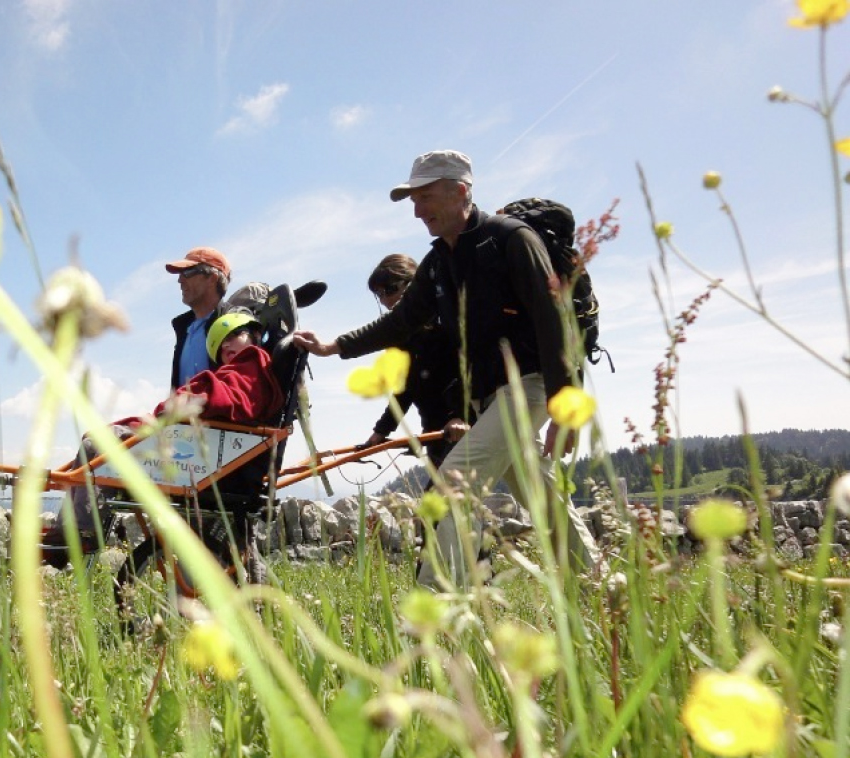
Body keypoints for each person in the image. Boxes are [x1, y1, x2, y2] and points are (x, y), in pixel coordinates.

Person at [293, 150, 599, 589]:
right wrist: (333, 346)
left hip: (527, 387)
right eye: (412, 200)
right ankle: (603, 586)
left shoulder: (512, 239)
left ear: (461, 190)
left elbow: (556, 320)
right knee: (543, 494)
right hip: (489, 398)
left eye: (425, 196)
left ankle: (433, 610)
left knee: (456, 483)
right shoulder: (439, 261)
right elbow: (400, 322)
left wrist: (566, 409)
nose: (417, 210)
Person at [42, 312, 282, 561]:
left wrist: (188, 399)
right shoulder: (240, 370)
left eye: (234, 335)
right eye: (222, 345)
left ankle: (80, 533)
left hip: (196, 454)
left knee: (96, 445)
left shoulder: (253, 364)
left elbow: (226, 397)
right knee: (95, 448)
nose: (228, 345)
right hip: (192, 447)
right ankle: (76, 530)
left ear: (255, 336)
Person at [360, 253, 469, 467]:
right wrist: (381, 430)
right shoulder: (397, 335)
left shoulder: (446, 319)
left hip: (464, 424)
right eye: (379, 294)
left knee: (442, 495)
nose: (385, 299)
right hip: (437, 429)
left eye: (390, 289)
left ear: (413, 282)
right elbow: (404, 389)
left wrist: (460, 415)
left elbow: (469, 369)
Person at [166, 246, 232, 389]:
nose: (180, 280)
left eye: (187, 272)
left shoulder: (235, 323)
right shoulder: (184, 329)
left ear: (212, 279)